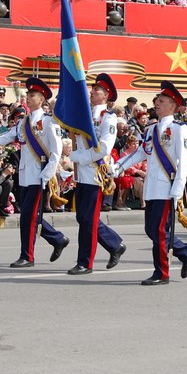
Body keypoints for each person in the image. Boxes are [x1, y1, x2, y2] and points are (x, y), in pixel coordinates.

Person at [0, 77, 69, 268]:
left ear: (42, 99)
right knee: (31, 216)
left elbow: (55, 153)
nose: (28, 97)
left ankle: (27, 256)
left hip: (39, 176)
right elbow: (6, 137)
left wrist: (45, 177)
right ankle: (57, 239)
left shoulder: (49, 122)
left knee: (28, 217)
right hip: (24, 175)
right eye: (28, 94)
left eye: (33, 95)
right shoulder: (24, 122)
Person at [114, 81, 187, 285]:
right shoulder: (151, 129)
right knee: (151, 230)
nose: (157, 104)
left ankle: (162, 273)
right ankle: (185, 251)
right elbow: (141, 152)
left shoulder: (179, 129)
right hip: (152, 187)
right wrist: (117, 166)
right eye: (157, 100)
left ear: (172, 105)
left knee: (158, 230)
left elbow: (183, 160)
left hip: (166, 188)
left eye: (161, 101)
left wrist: (178, 188)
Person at [66, 73, 127, 275]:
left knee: (88, 219)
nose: (92, 92)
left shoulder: (107, 117)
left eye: (97, 90)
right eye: (92, 89)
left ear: (106, 95)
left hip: (95, 173)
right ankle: (114, 244)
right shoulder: (84, 115)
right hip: (82, 174)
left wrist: (78, 157)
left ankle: (85, 262)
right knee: (83, 217)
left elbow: (104, 148)